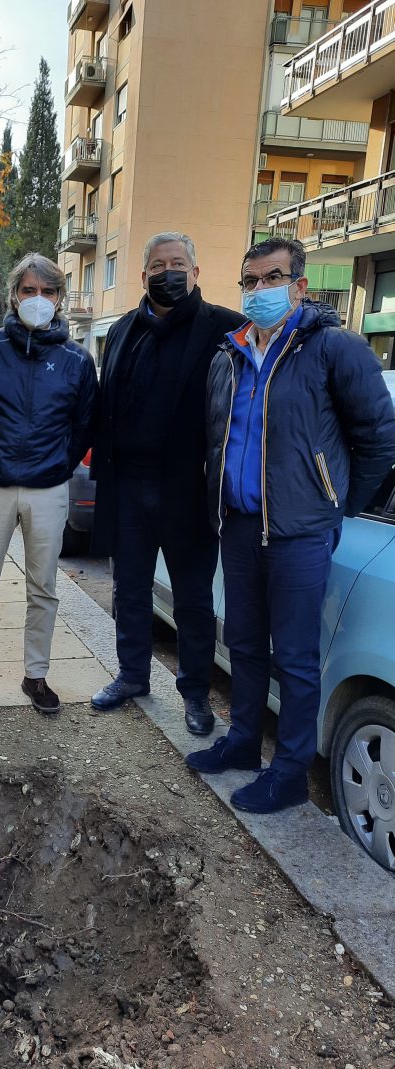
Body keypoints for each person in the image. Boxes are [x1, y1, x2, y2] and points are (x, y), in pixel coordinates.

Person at [188, 236, 395, 813]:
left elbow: (380, 437)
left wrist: (335, 503)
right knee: (246, 644)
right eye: (249, 281)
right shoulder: (226, 355)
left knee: (297, 659)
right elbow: (217, 440)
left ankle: (289, 771)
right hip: (239, 526)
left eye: (271, 278)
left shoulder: (334, 350)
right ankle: (243, 743)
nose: (259, 291)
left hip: (299, 533)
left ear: (299, 285)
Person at [88, 233, 243, 734]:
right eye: (158, 264)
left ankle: (195, 694)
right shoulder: (122, 331)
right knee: (129, 588)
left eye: (178, 263)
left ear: (196, 273)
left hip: (189, 489)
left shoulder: (227, 330)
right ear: (144, 275)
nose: (168, 271)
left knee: (194, 599)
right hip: (128, 486)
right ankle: (132, 675)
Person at [0, 252, 99, 714]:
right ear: (14, 296)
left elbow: (84, 425)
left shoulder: (76, 360)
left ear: (60, 298)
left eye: (48, 291)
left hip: (47, 491)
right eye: (29, 290)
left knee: (44, 588)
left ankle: (36, 676)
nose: (38, 299)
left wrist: (57, 466)